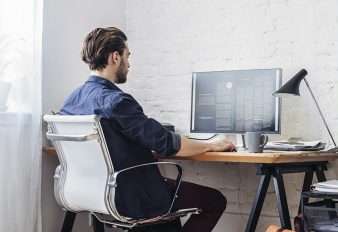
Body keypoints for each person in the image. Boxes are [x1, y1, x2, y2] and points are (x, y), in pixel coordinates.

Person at [60, 27, 236, 232]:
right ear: (115, 57)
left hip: (96, 194)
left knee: (171, 204)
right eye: (127, 56)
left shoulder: (71, 102)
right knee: (214, 200)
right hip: (135, 197)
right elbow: (170, 145)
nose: (129, 64)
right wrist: (211, 146)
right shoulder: (116, 101)